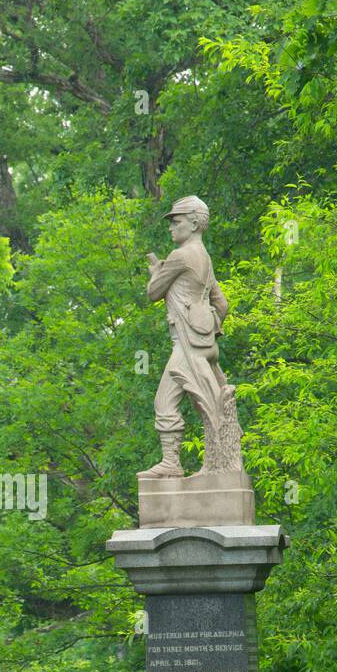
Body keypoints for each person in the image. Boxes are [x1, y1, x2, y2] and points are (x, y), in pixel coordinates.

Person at [140, 195, 230, 478]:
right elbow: (223, 305)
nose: (171, 228)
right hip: (206, 343)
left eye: (176, 222)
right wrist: (207, 327)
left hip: (187, 344)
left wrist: (156, 272)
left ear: (193, 223)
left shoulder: (180, 256)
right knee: (208, 404)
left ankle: (171, 463)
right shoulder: (205, 257)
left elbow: (153, 293)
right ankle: (219, 464)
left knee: (164, 402)